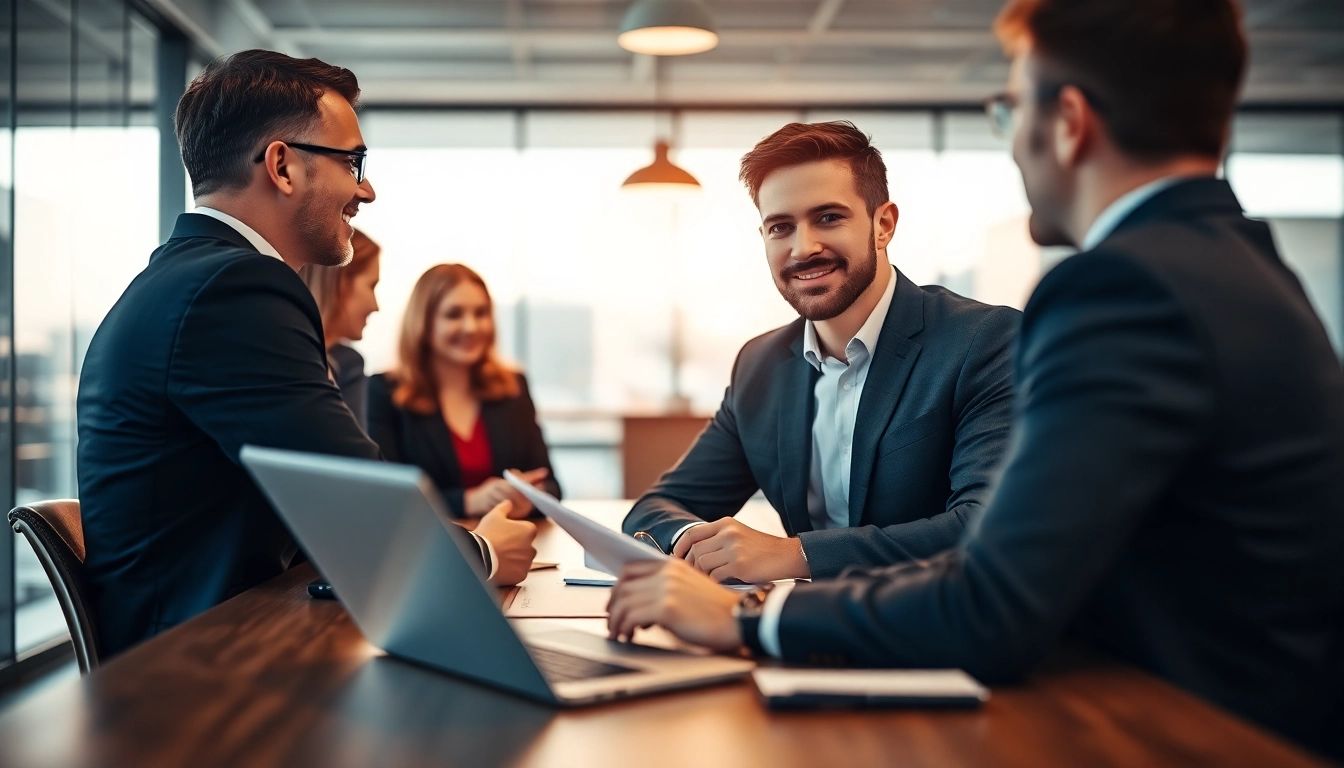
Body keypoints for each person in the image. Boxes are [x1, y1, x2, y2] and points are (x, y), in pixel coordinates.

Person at [606, 0, 1344, 759]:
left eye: (1010, 108)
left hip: (1190, 732)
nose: (1014, 141)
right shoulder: (1235, 264)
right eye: (779, 226)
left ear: (1068, 122)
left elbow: (993, 598)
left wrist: (745, 620)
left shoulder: (1120, 291)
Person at [77, 50, 536, 660]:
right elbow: (365, 506)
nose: (366, 189)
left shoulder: (187, 278)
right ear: (283, 165)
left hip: (217, 649)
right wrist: (482, 551)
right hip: (197, 687)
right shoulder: (236, 290)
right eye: (353, 162)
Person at [621, 120, 1020, 584]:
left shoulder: (984, 340)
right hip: (787, 635)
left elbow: (985, 527)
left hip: (933, 636)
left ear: (883, 225)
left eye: (828, 218)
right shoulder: (761, 365)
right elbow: (653, 510)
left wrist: (795, 556)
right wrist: (699, 542)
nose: (803, 248)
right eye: (781, 227)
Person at [367, 264, 561, 519]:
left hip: (514, 546)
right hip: (434, 547)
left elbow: (552, 487)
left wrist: (528, 499)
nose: (471, 327)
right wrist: (469, 501)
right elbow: (390, 496)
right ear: (423, 322)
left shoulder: (514, 387)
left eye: (481, 313)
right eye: (454, 314)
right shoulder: (385, 392)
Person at [300, 228, 381, 426]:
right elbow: (353, 455)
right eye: (371, 286)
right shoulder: (348, 363)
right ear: (340, 283)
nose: (375, 306)